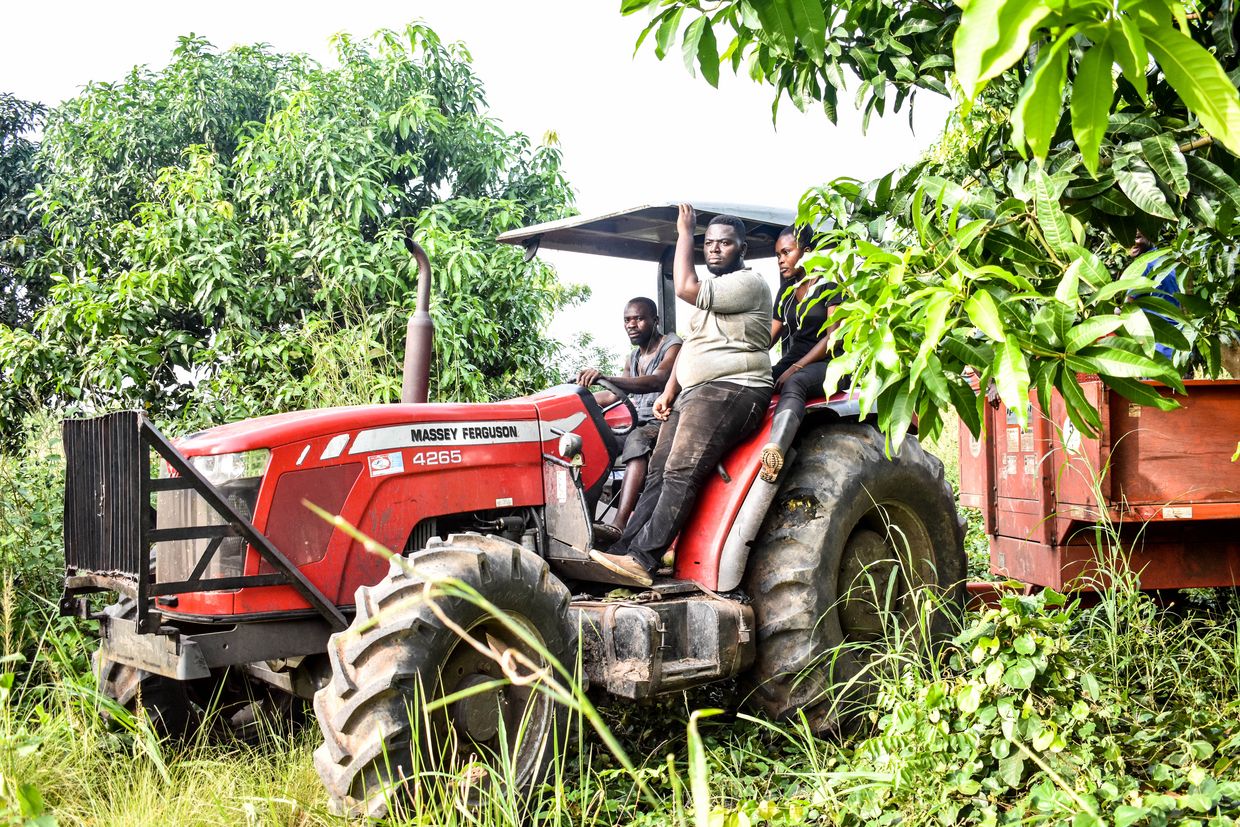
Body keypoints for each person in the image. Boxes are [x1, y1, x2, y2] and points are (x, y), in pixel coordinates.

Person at [587, 205, 774, 587]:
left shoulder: (749, 283)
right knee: (657, 468)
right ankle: (623, 550)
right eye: (709, 243)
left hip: (734, 388)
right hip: (695, 393)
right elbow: (692, 347)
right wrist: (668, 392)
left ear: (742, 250)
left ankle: (644, 559)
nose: (715, 250)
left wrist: (685, 231)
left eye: (725, 244)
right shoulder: (715, 297)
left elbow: (686, 286)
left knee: (680, 470)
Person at [576, 297, 682, 534]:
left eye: (639, 318)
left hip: (663, 420)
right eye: (627, 320)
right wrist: (577, 396)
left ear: (655, 320)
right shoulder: (632, 358)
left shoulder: (672, 345)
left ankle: (619, 524)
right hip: (637, 422)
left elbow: (659, 379)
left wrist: (606, 377)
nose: (631, 325)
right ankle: (587, 522)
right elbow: (614, 394)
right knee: (594, 444)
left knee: (637, 440)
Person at [759, 226, 844, 482]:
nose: (780, 260)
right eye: (777, 255)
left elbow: (833, 337)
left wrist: (796, 368)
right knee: (759, 378)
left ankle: (776, 452)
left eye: (786, 252)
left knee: (795, 381)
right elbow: (769, 337)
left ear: (806, 252)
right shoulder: (787, 291)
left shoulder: (830, 284)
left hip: (830, 363)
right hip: (795, 359)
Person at [1127, 229, 1181, 360]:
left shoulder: (1144, 265)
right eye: (1127, 239)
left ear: (1150, 236)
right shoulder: (1165, 260)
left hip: (1156, 340)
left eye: (1137, 238)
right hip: (1174, 339)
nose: (1132, 243)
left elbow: (1127, 306)